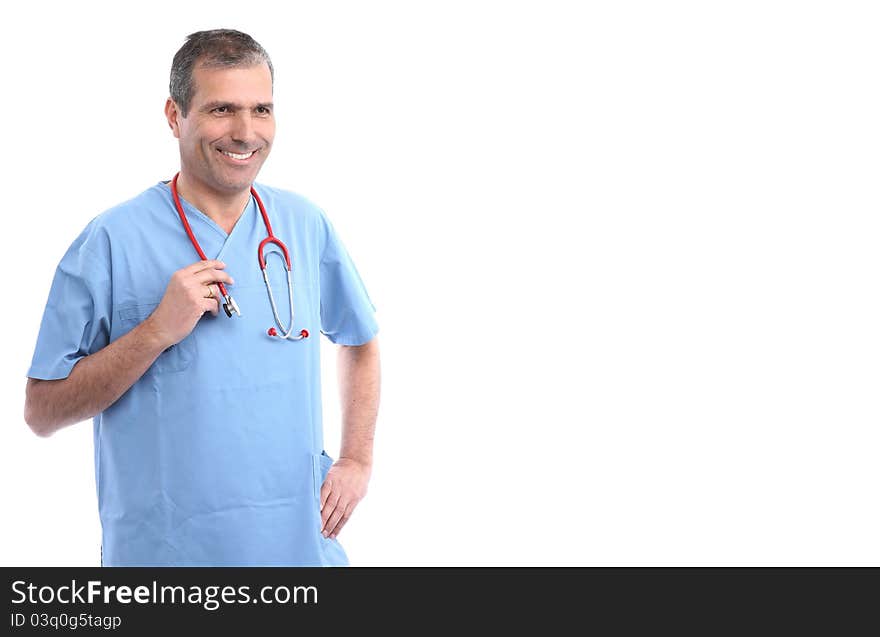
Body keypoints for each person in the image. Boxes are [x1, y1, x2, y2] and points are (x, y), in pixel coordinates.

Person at [23, 29, 381, 567]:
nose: (245, 132)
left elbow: (362, 341)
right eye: (221, 110)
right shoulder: (111, 241)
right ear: (175, 116)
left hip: (297, 554)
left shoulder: (302, 226)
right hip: (165, 563)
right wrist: (155, 333)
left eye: (261, 109)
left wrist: (355, 459)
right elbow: (42, 411)